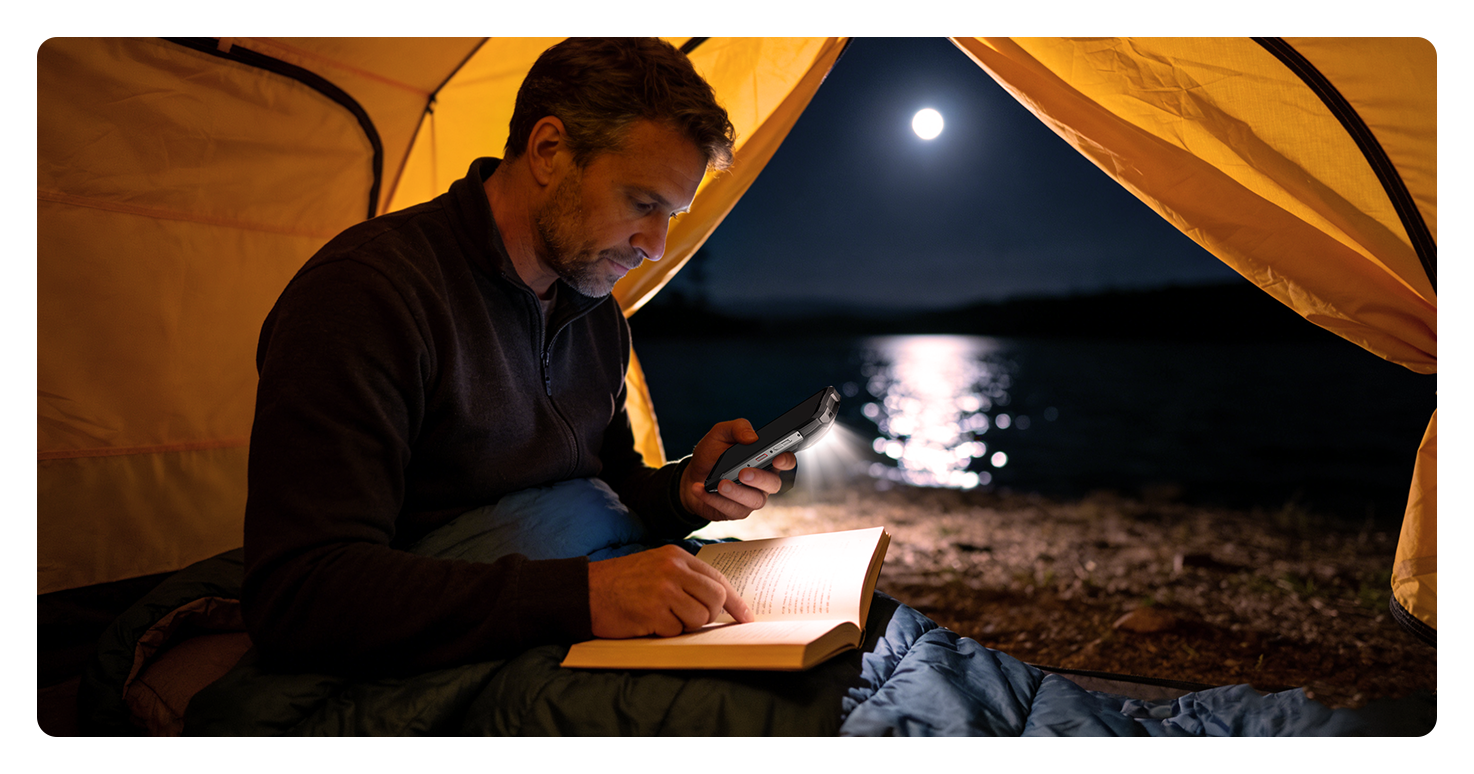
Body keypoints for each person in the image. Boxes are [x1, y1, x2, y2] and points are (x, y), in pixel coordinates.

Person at [242, 38, 795, 675]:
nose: (654, 247)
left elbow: (608, 484)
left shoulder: (593, 309)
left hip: (566, 591)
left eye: (671, 216)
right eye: (643, 205)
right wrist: (584, 597)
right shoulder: (367, 296)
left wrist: (685, 492)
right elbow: (301, 593)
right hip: (452, 644)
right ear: (549, 151)